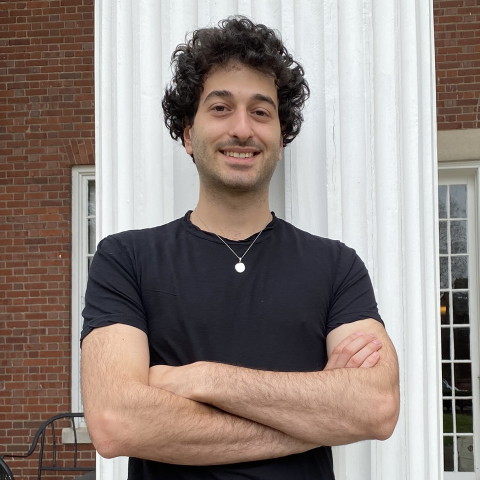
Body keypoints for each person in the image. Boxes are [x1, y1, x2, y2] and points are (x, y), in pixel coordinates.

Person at [81, 16, 400, 480]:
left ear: (281, 139)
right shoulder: (126, 260)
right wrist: (319, 415)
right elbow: (115, 421)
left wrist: (198, 378)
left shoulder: (336, 266)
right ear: (188, 135)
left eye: (261, 111)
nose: (242, 129)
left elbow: (376, 406)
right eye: (220, 108)